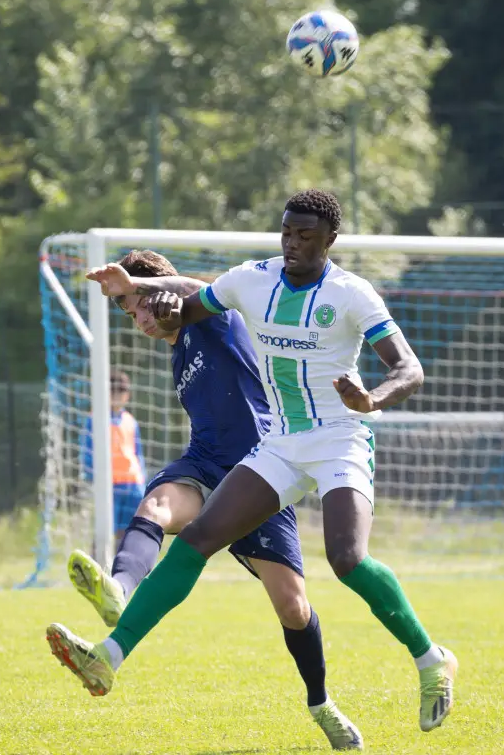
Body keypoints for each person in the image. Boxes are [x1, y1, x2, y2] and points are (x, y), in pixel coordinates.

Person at [48, 189, 458, 733]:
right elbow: (191, 304)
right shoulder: (254, 279)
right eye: (286, 232)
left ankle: (432, 660)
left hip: (340, 437)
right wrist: (147, 294)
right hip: (281, 444)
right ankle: (108, 656)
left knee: (346, 559)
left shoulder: (352, 294)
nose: (291, 243)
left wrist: (373, 399)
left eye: (305, 235)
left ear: (330, 240)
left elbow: (409, 369)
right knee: (196, 540)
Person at [48, 248, 363, 751]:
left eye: (138, 307)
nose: (138, 321)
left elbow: (196, 290)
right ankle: (119, 592)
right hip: (202, 461)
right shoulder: (178, 354)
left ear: (160, 291)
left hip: (259, 471)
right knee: (155, 508)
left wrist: (138, 282)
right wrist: (135, 291)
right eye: (130, 313)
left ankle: (321, 703)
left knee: (293, 607)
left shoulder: (213, 319)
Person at [79, 371, 146, 542]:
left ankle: (122, 567)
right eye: (113, 391)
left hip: (133, 485)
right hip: (109, 485)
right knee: (103, 532)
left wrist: (143, 481)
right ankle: (95, 565)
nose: (117, 395)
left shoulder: (131, 421)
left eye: (121, 391)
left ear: (127, 395)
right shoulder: (95, 419)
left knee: (128, 533)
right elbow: (87, 450)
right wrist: (92, 477)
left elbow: (137, 454)